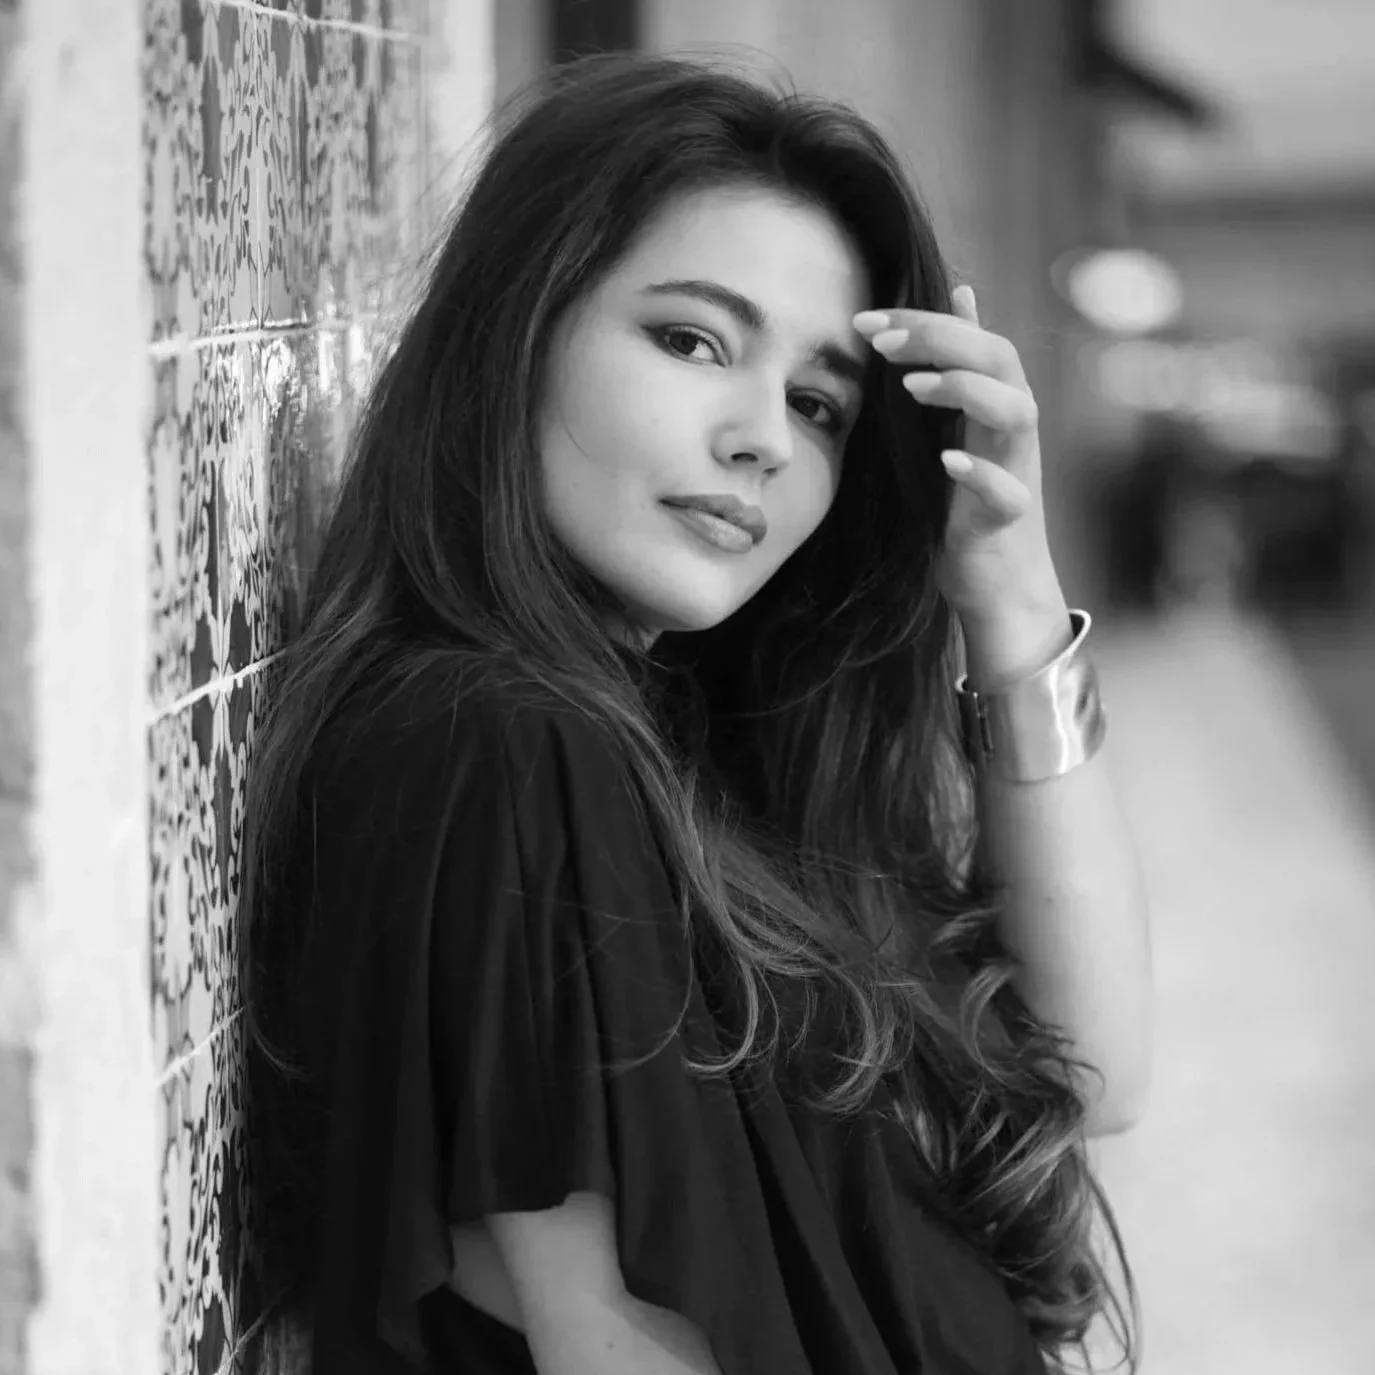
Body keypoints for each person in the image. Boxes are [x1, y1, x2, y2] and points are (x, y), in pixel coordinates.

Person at [240, 50, 1152, 1375]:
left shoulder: (692, 760)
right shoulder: (503, 750)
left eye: (817, 403)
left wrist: (1009, 601)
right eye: (691, 340)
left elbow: (1094, 1072)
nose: (762, 441)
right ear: (518, 327)